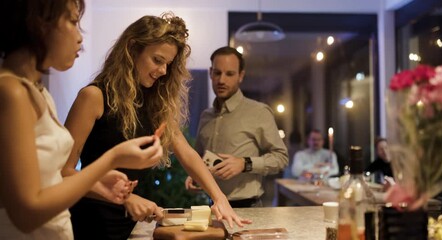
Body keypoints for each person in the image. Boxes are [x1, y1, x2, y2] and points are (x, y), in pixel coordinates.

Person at [62, 14, 250, 240]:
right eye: (157, 60)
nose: (163, 71)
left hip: (129, 223)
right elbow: (63, 172)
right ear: (132, 49)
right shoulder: (93, 96)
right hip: (90, 222)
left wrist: (220, 199)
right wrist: (126, 198)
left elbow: (188, 154)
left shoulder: (153, 104)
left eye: (168, 65)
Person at [0, 0, 164, 239]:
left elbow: (49, 179)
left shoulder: (37, 92)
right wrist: (111, 159)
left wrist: (96, 182)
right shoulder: (11, 91)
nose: (79, 37)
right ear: (39, 24)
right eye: (73, 21)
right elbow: (26, 213)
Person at [185, 46, 289, 208]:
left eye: (230, 74)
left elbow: (281, 158)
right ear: (211, 73)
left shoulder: (259, 112)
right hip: (213, 207)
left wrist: (244, 163)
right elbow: (198, 158)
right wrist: (195, 175)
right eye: (217, 73)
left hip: (249, 208)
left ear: (241, 76)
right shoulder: (206, 116)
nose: (221, 80)